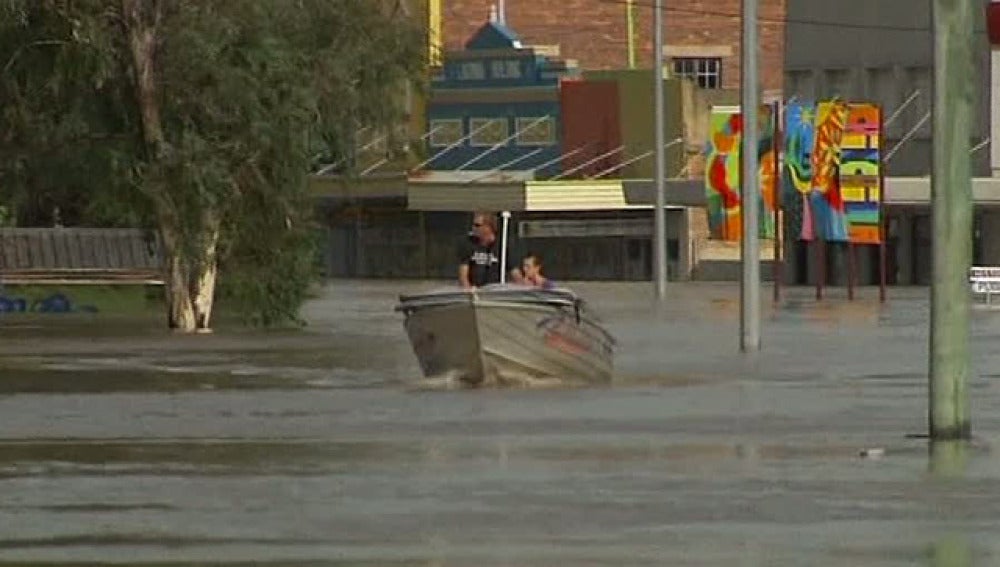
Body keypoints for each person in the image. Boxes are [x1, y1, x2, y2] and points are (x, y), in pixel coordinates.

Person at [457, 211, 506, 288]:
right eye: (473, 225)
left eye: (477, 225)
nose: (473, 228)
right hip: (475, 289)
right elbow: (463, 275)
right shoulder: (469, 243)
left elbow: (515, 273)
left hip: (496, 291)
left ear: (488, 227)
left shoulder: (502, 245)